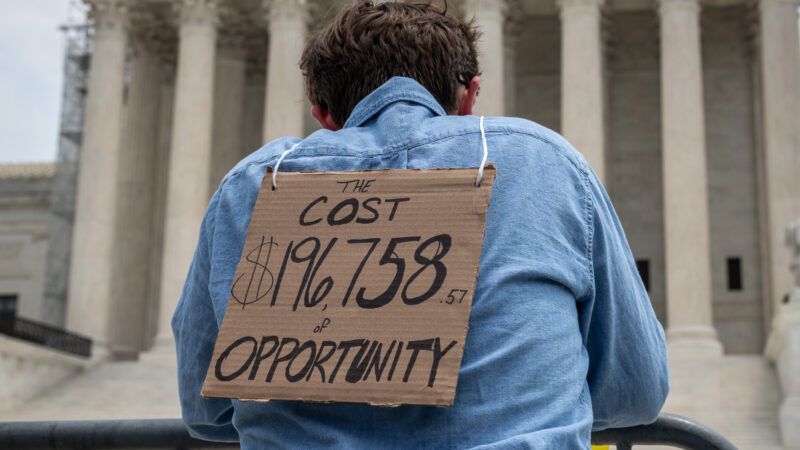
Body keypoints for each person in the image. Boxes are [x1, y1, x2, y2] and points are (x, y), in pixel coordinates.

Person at [172, 1, 669, 448]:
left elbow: (207, 410)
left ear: (323, 115)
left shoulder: (253, 186)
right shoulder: (546, 163)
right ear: (470, 97)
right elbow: (637, 389)